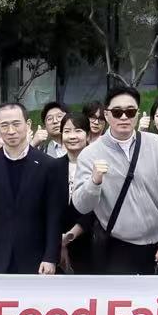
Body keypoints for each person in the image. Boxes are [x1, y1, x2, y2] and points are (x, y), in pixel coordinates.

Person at [70, 84, 158, 275]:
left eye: (130, 112)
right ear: (107, 115)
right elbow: (82, 206)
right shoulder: (90, 154)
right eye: (117, 112)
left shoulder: (157, 145)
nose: (124, 117)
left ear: (137, 114)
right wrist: (94, 182)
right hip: (118, 246)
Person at [0, 100, 69, 276]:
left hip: (35, 258)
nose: (11, 131)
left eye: (16, 124)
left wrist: (50, 257)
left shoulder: (49, 165)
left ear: (28, 124)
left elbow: (54, 216)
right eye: (4, 125)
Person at [56, 116, 93, 272]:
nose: (72, 136)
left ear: (88, 135)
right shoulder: (53, 167)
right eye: (67, 131)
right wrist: (59, 242)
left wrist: (70, 236)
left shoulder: (98, 165)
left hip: (91, 242)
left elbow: (97, 207)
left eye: (78, 131)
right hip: (58, 243)